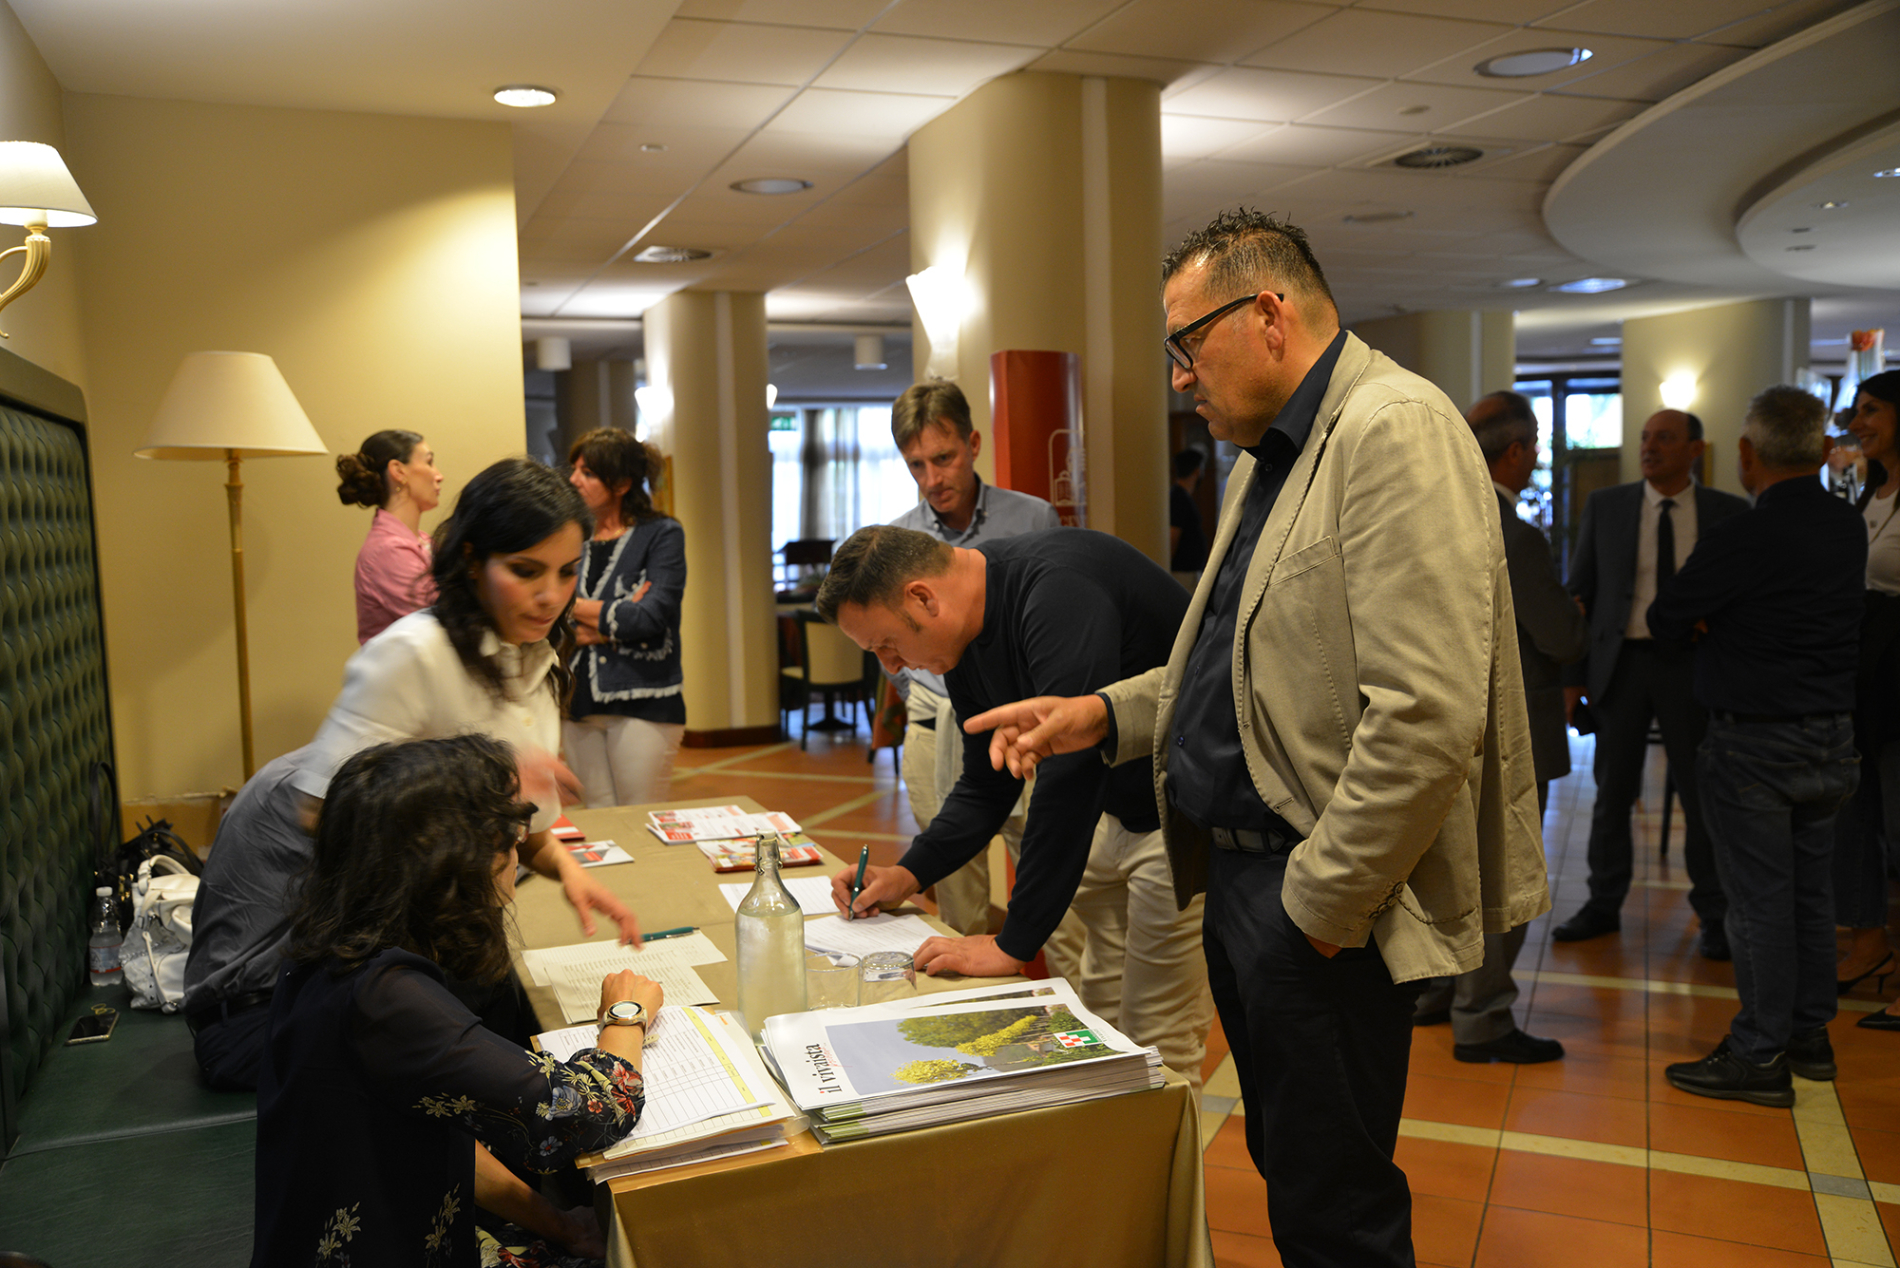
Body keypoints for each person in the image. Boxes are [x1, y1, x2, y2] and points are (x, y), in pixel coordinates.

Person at [966, 209, 1546, 1267]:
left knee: (1338, 1209)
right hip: (1243, 883)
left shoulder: (1391, 426)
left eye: (1186, 342)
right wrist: (1098, 714)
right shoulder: (1266, 455)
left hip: (1312, 893)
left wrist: (1319, 909)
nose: (1181, 374)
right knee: (1296, 1174)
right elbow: (1226, 666)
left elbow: (1424, 714)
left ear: (1268, 314)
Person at [185, 457, 639, 1090]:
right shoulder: (411, 653)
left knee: (532, 1035)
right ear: (473, 561)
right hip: (273, 995)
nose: (551, 596)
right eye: (525, 571)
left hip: (411, 953)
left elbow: (519, 827)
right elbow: (334, 821)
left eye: (567, 572)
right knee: (531, 1076)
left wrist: (566, 869)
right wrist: (487, 782)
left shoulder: (532, 660)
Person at [817, 524, 1211, 1091]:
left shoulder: (1055, 590)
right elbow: (986, 783)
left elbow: (1070, 772)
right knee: (1097, 1023)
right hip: (1111, 816)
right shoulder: (960, 642)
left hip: (1177, 821)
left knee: (1160, 1042)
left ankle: (1168, 1178)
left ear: (923, 598)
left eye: (887, 645)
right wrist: (909, 872)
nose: (893, 666)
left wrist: (1012, 943)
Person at [252, 734, 661, 1267]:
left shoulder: (337, 946)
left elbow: (444, 1135)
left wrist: (559, 1225)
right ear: (449, 864)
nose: (518, 852)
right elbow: (587, 1112)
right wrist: (624, 1016)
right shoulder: (386, 999)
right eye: (508, 837)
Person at [1653, 385, 1863, 1105]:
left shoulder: (1744, 533)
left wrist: (1721, 623)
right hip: (1832, 736)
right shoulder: (1847, 526)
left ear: (1747, 454)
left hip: (1756, 745)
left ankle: (1759, 1051)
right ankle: (1809, 1034)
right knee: (1811, 895)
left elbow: (1669, 615)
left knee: (1759, 905)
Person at [1414, 391, 1583, 1063]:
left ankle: (1433, 992)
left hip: (1439, 726)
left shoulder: (1432, 520)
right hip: (1512, 732)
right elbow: (1559, 636)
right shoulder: (1516, 535)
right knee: (1500, 878)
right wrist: (1573, 616)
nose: (1537, 457)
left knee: (1446, 871)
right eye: (1535, 446)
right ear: (1513, 453)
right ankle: (1482, 1017)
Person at [1554, 409, 1748, 955]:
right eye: (1644, 438)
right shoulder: (1608, 506)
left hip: (1693, 664)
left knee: (1699, 792)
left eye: (1664, 438)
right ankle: (1601, 904)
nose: (1650, 447)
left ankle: (1714, 913)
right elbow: (1580, 593)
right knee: (1612, 794)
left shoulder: (1725, 512)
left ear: (1695, 449)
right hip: (1622, 666)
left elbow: (1741, 593)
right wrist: (1573, 678)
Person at [887, 380, 1060, 938]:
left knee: (1053, 882)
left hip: (1026, 727)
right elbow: (888, 645)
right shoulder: (897, 538)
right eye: (916, 466)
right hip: (934, 726)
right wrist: (916, 697)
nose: (933, 480)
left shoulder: (1032, 518)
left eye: (944, 458)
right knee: (955, 890)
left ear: (974, 443)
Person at [563, 428, 687, 808]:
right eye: (575, 470)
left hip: (644, 700)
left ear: (620, 484)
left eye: (587, 472)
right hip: (575, 700)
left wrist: (575, 612)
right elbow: (546, 611)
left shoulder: (661, 534)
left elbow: (649, 616)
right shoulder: (570, 534)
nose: (573, 480)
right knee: (598, 818)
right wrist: (607, 621)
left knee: (639, 815)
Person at [1831, 371, 1900, 1020]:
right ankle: (1867, 940)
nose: (1857, 423)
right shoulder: (1871, 495)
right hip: (1864, 680)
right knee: (1857, 818)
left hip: (1899, 682)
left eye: (1871, 410)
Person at [335, 428, 444, 644]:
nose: (439, 475)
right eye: (429, 462)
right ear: (398, 471)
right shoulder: (388, 551)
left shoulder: (423, 541)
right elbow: (445, 623)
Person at [1169, 448, 1209, 574]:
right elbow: (1173, 534)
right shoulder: (1178, 498)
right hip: (1182, 572)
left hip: (1188, 571)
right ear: (1197, 471)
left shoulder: (1181, 496)